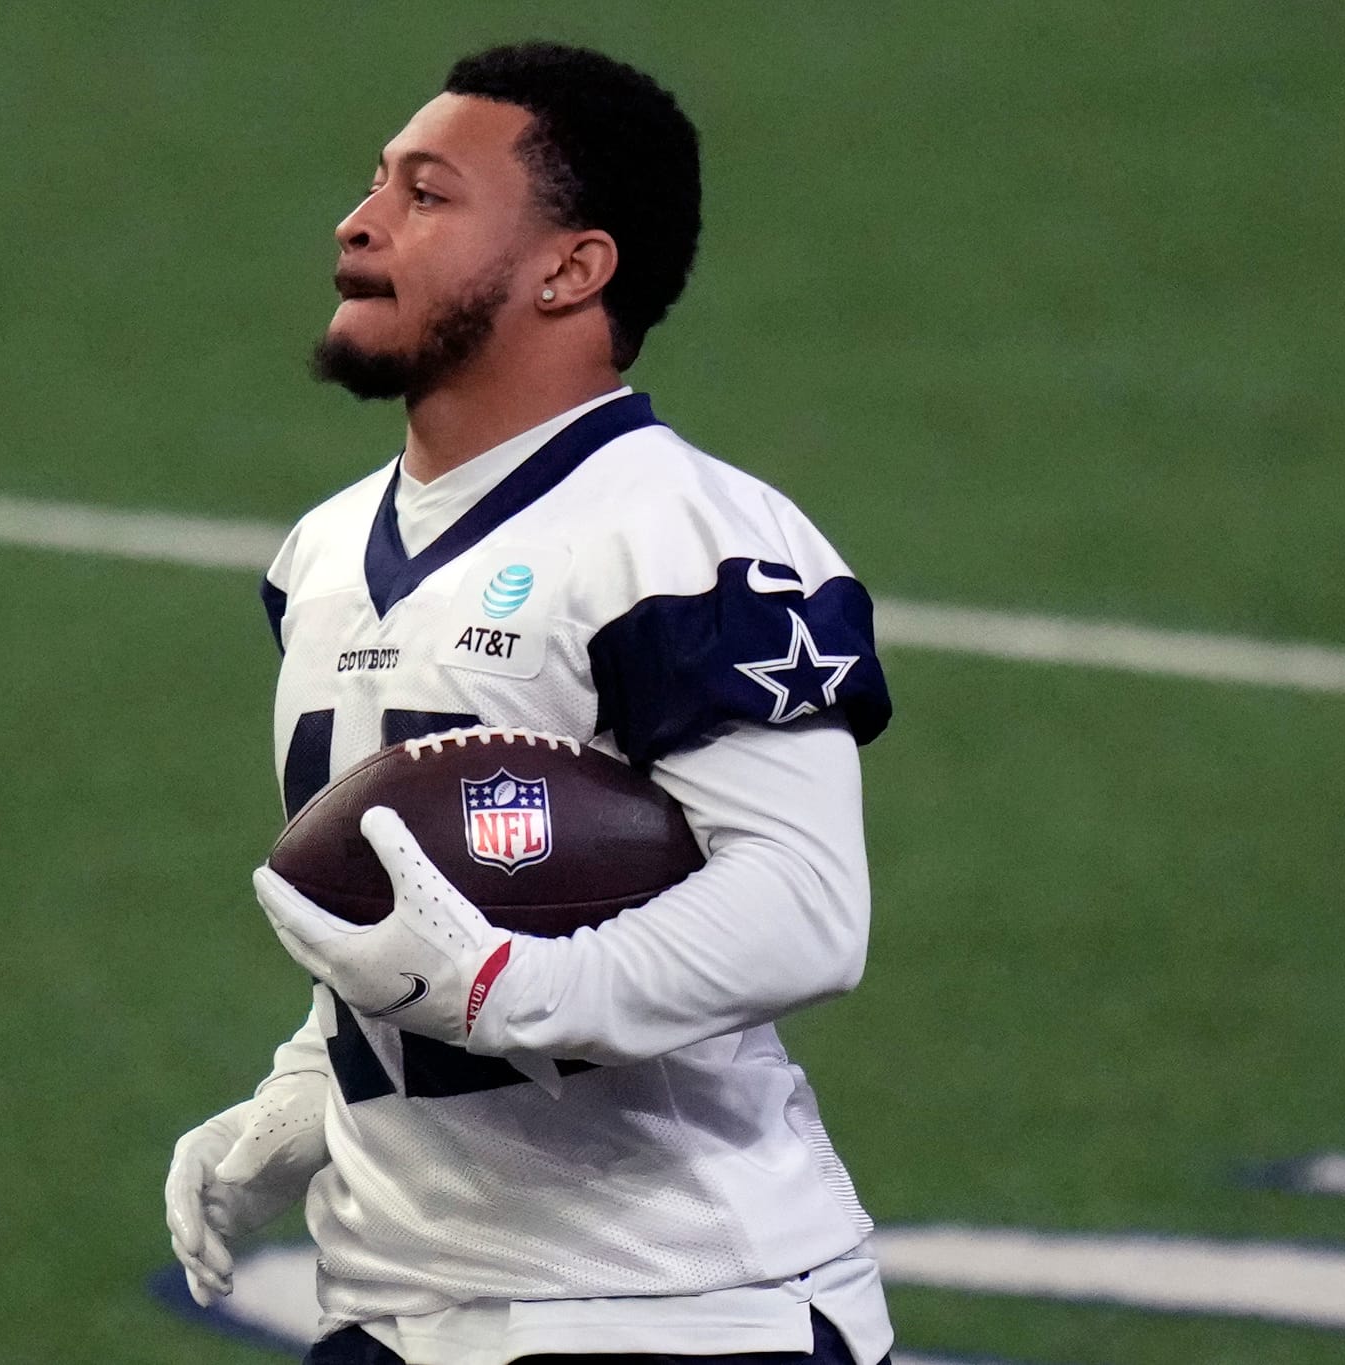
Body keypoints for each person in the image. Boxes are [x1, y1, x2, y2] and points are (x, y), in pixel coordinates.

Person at [166, 41, 896, 1365]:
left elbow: (806, 907)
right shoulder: (325, 554)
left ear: (572, 267)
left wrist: (510, 984)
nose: (361, 218)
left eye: (428, 195)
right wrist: (310, 1089)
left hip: (674, 1309)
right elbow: (434, 897)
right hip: (394, 1299)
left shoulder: (686, 539)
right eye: (377, 180)